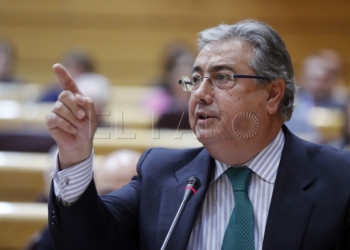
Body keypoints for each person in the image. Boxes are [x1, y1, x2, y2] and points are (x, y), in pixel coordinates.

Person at [45, 20, 350, 250]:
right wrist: (75, 157)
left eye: (222, 78)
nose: (200, 94)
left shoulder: (340, 179)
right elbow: (85, 241)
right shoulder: (161, 173)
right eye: (195, 79)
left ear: (272, 94)